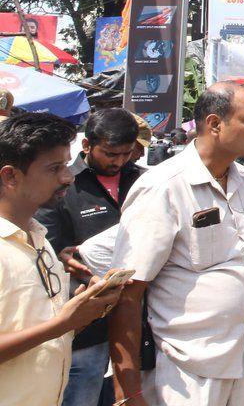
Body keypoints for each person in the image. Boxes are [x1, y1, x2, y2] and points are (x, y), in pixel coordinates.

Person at [109, 82, 244, 406]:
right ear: (214, 124)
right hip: (187, 372)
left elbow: (241, 261)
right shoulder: (163, 188)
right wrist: (128, 392)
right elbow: (127, 294)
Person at [0, 113, 126, 406]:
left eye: (66, 166)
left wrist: (82, 312)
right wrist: (62, 324)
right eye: (54, 168)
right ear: (10, 176)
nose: (67, 177)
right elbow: (52, 329)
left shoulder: (40, 241)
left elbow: (42, 334)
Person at [36, 108, 143, 406]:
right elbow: (48, 242)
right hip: (85, 323)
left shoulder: (145, 181)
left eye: (125, 154)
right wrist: (63, 257)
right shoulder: (63, 184)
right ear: (87, 146)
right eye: (110, 154)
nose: (118, 161)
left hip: (138, 317)